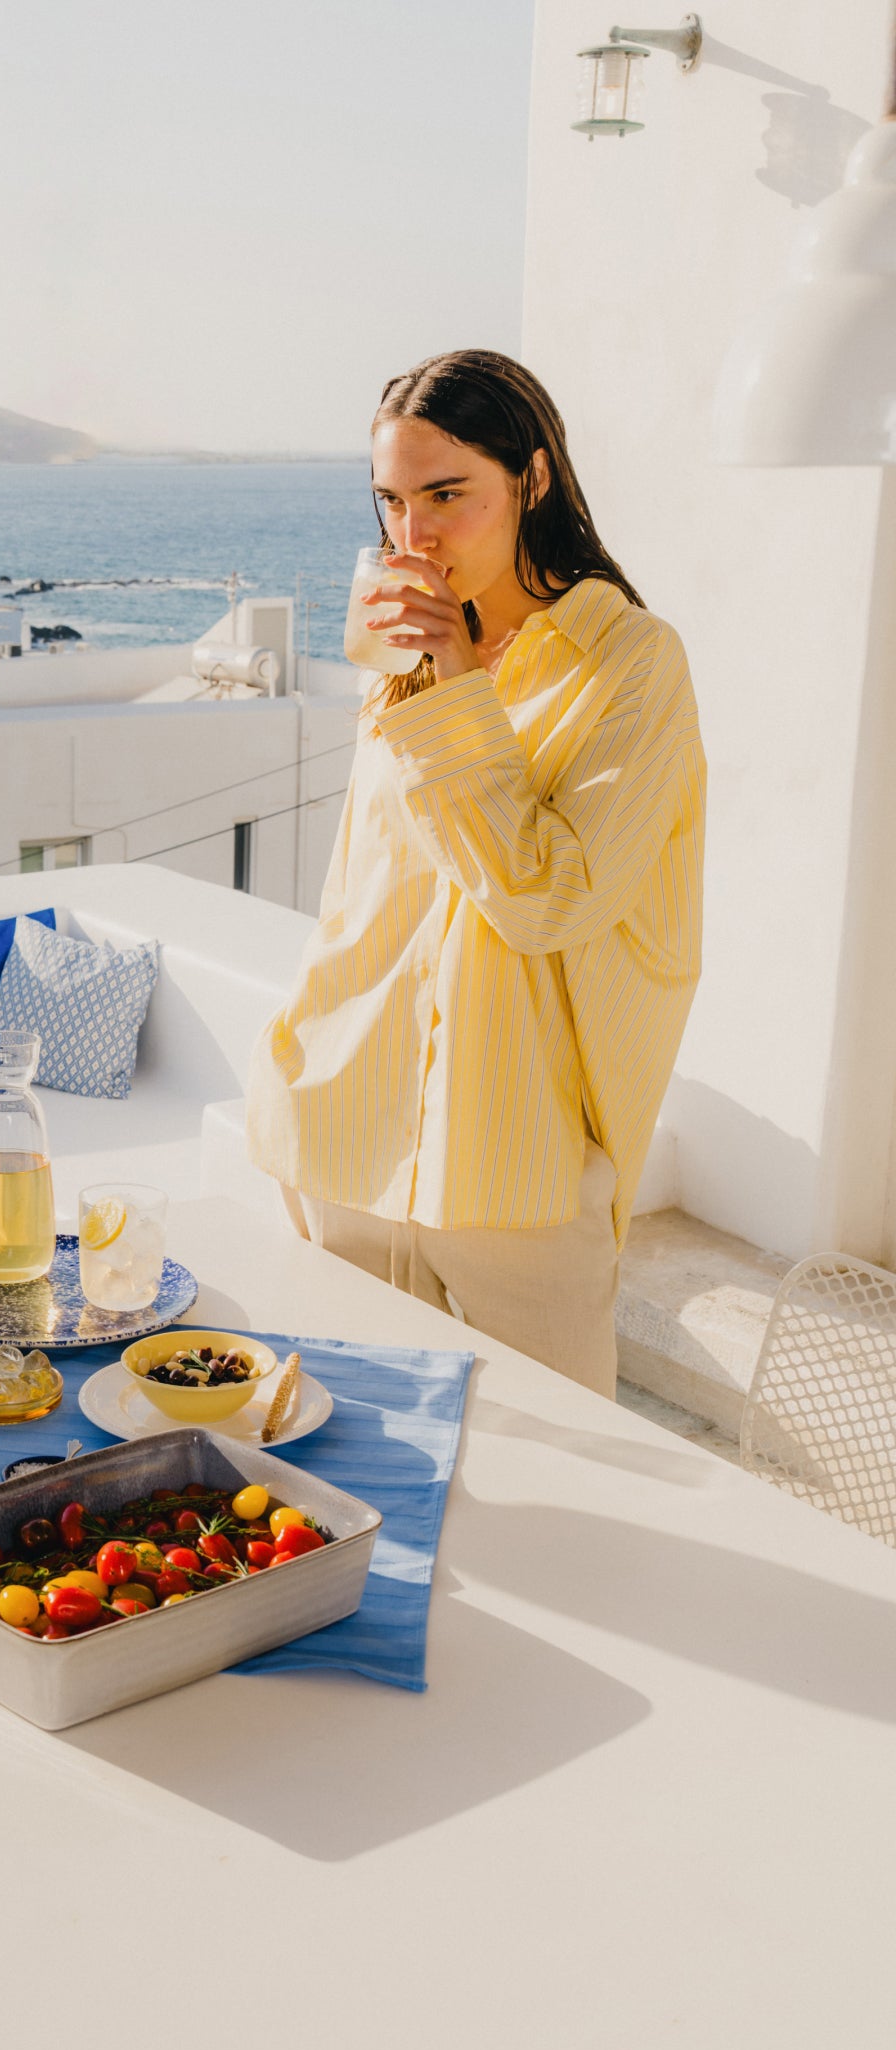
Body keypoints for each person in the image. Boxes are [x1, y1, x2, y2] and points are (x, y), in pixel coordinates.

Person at [246, 349, 705, 1395]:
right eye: (391, 502)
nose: (413, 537)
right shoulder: (396, 647)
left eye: (446, 495)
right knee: (346, 1476)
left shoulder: (633, 663)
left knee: (561, 1484)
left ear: (531, 479)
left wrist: (455, 679)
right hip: (340, 1137)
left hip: (518, 1175)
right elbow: (364, 886)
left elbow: (549, 898)